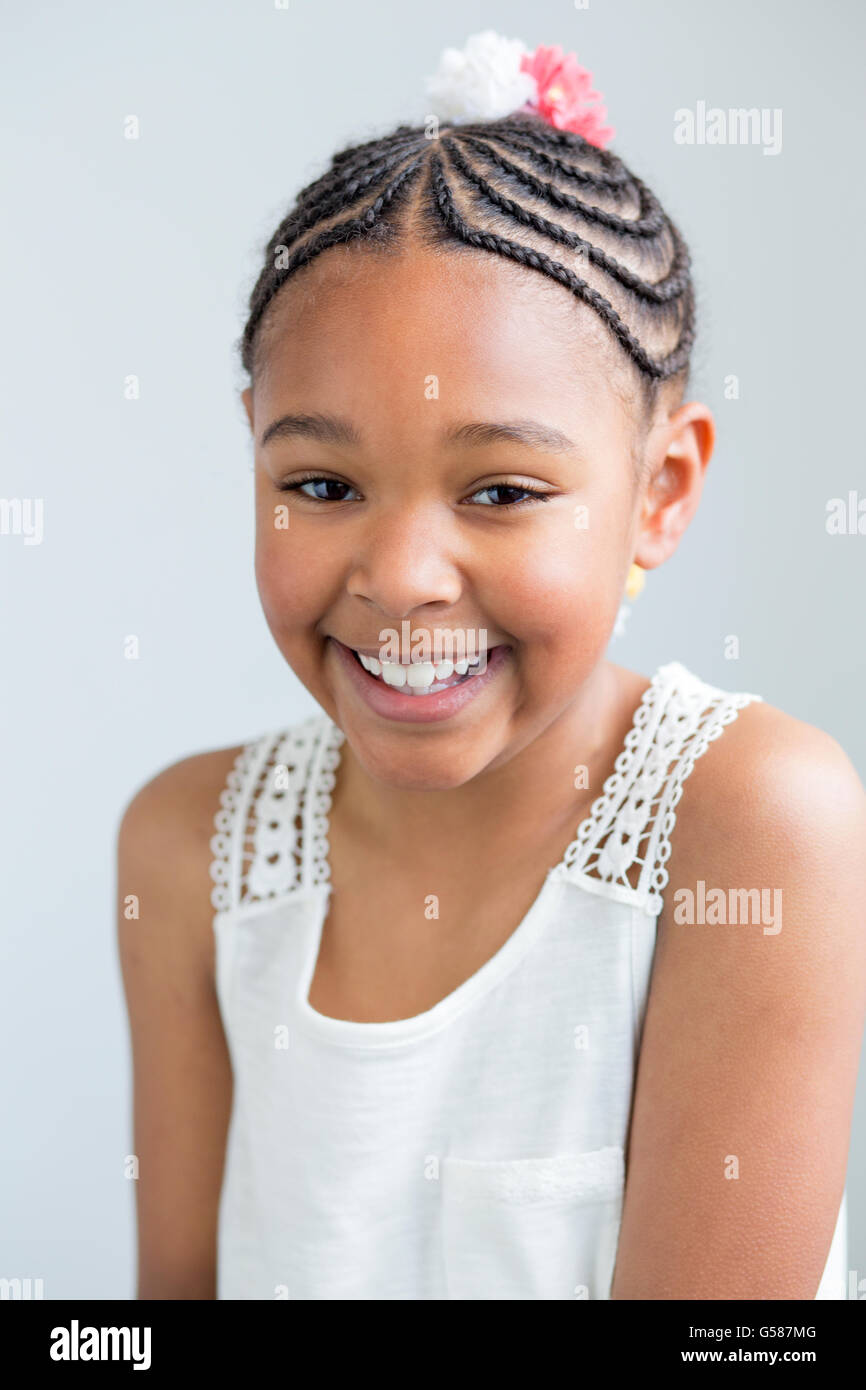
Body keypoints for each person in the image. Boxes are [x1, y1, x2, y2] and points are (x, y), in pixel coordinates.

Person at [117, 31, 866, 1300]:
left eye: (503, 488)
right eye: (320, 482)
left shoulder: (748, 818)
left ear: (657, 494)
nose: (402, 573)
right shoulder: (192, 847)